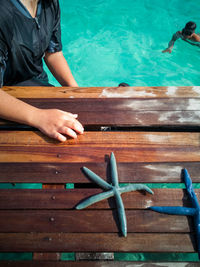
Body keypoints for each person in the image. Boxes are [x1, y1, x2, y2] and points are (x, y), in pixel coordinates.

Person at [0, 0, 84, 142]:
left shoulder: (49, 4)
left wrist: (76, 92)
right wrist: (39, 117)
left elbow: (53, 54)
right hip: (9, 104)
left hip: (38, 90)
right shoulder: (3, 11)